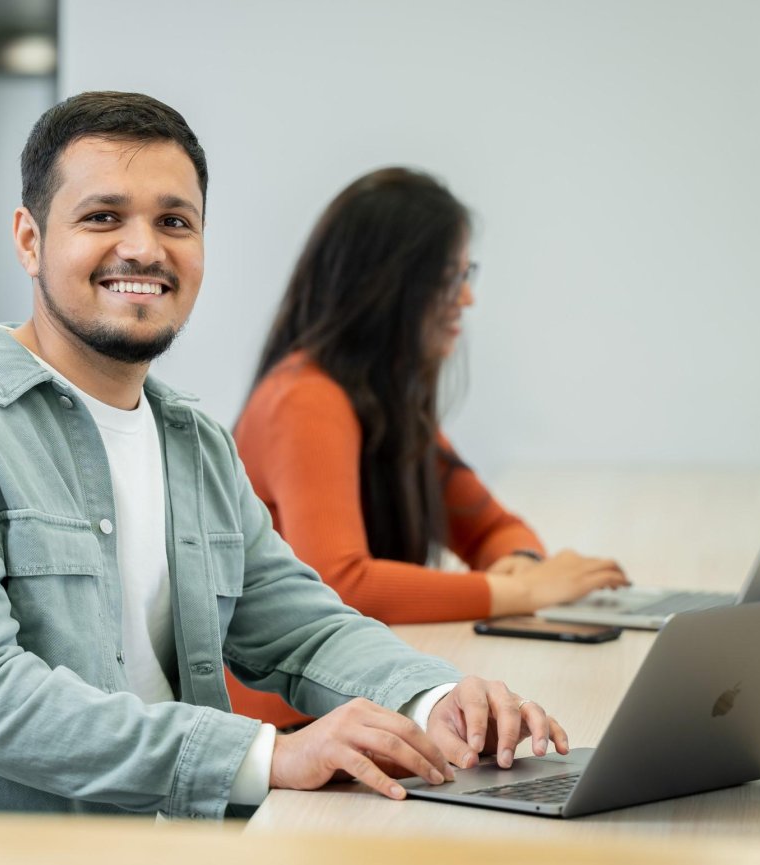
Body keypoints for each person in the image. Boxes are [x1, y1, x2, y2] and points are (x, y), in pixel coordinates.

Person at [0, 93, 568, 821]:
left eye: (174, 221)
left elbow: (299, 624)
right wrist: (268, 753)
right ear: (30, 239)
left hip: (144, 831)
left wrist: (435, 699)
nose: (143, 248)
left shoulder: (190, 438)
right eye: (101, 216)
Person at [225, 168, 628, 729]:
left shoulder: (384, 400)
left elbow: (490, 527)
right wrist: (520, 592)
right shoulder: (305, 399)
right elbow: (341, 581)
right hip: (294, 725)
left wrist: (522, 565)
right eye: (447, 278)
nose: (465, 297)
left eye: (467, 274)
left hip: (358, 704)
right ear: (387, 286)